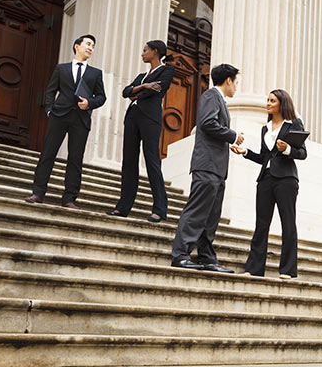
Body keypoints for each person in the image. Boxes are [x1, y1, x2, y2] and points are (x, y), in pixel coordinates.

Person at [171, 63, 244, 272]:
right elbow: (207, 123)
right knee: (197, 212)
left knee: (211, 216)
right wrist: (233, 135)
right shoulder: (212, 96)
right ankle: (181, 254)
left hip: (218, 168)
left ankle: (206, 257)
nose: (236, 87)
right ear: (228, 80)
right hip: (207, 165)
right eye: (236, 82)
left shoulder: (219, 99)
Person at [231, 89, 307, 279]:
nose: (268, 103)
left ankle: (288, 270)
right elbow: (264, 157)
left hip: (286, 180)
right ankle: (254, 268)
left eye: (272, 100)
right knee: (261, 224)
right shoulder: (265, 128)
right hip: (265, 179)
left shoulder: (293, 124)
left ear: (282, 103)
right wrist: (245, 152)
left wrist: (287, 149)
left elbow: (303, 153)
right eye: (267, 100)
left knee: (288, 223)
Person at [25, 34, 106, 209]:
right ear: (77, 46)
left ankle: (69, 198)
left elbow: (101, 97)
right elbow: (50, 90)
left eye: (93, 46)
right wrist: (49, 110)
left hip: (81, 119)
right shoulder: (61, 69)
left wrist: (89, 103)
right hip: (59, 116)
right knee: (48, 154)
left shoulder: (95, 73)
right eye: (88, 44)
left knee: (75, 159)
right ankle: (38, 193)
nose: (90, 48)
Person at [107, 40, 174, 222]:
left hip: (150, 119)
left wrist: (137, 93)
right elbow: (126, 92)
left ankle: (160, 209)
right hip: (132, 118)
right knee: (128, 162)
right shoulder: (141, 76)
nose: (142, 53)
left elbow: (158, 90)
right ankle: (123, 208)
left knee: (152, 161)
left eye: (145, 50)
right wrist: (144, 87)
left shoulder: (167, 70)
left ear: (155, 51)